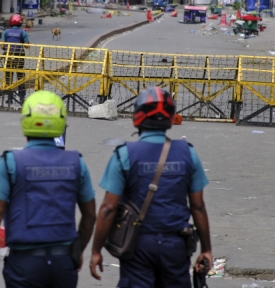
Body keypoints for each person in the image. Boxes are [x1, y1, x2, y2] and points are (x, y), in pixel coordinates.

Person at [90, 86, 212, 287]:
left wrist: (96, 251)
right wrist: (206, 249)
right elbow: (198, 206)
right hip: (176, 245)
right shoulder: (188, 154)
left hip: (137, 246)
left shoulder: (124, 155)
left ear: (137, 116)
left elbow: (108, 208)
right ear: (171, 118)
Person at [0, 90, 97, 287]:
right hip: (63, 263)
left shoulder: (11, 162)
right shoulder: (76, 163)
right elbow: (90, 215)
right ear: (61, 122)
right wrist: (77, 251)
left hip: (23, 264)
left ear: (26, 121)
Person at [1, 14, 29, 103]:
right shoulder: (23, 32)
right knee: (20, 76)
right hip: (19, 56)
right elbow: (27, 46)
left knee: (8, 76)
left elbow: (2, 46)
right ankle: (22, 97)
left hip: (8, 56)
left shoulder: (5, 32)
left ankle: (9, 98)